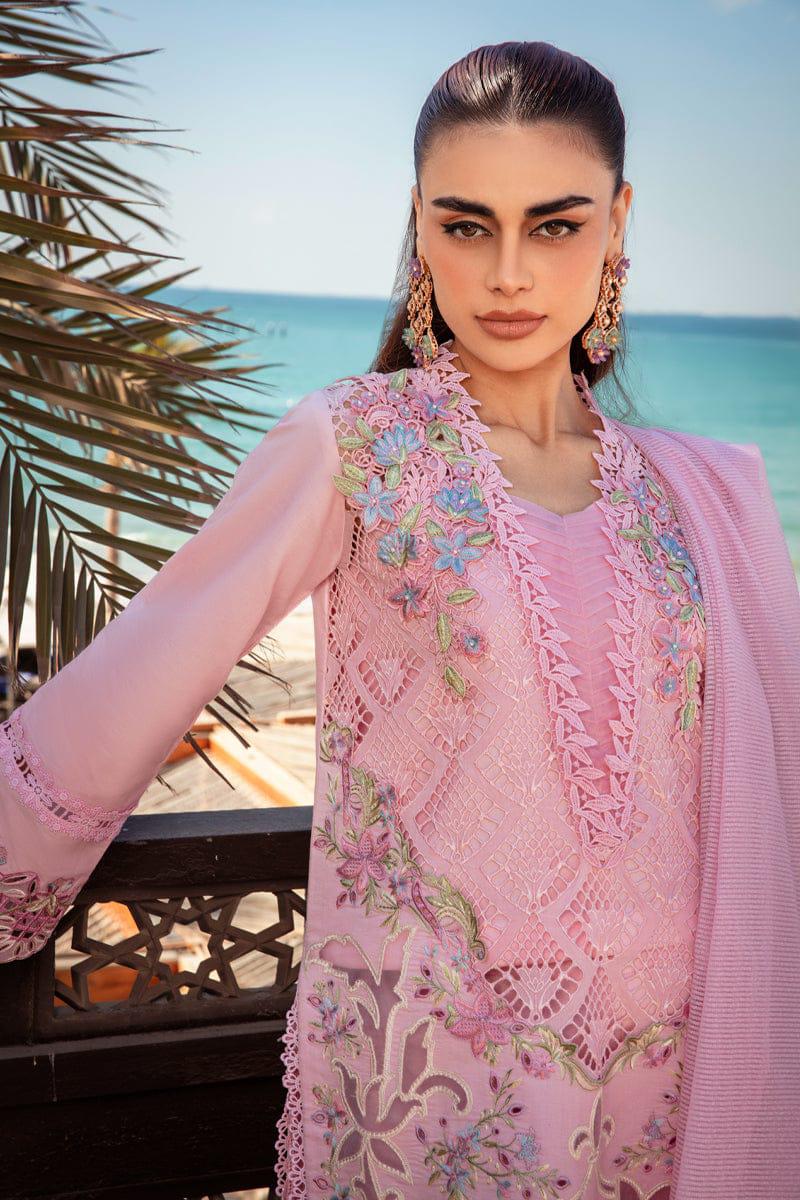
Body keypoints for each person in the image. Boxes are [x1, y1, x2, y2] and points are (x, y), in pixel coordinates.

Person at [1, 40, 798, 1200]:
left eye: (556, 225)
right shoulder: (354, 448)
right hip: (442, 1098)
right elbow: (137, 676)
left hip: (681, 1086)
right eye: (466, 224)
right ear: (417, 224)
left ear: (617, 222)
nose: (509, 274)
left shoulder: (699, 493)